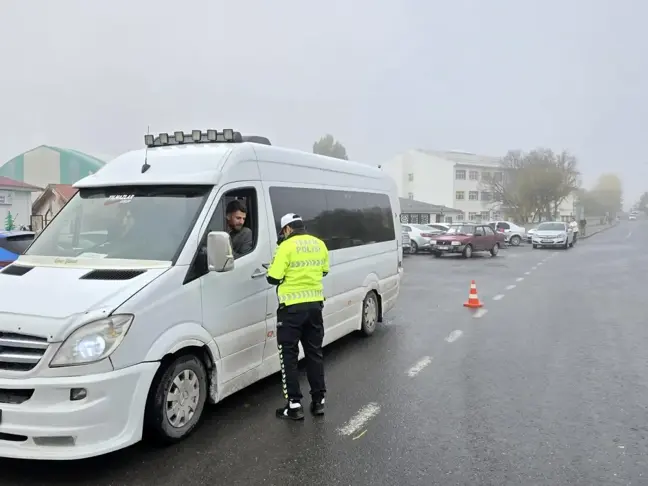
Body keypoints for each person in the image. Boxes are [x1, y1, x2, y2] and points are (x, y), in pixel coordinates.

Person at [266, 213, 329, 420]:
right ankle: (318, 402)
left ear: (287, 229)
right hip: (314, 308)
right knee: (314, 354)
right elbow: (324, 272)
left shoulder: (285, 246)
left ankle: (294, 405)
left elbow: (273, 277)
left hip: (291, 310)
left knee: (289, 357)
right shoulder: (319, 244)